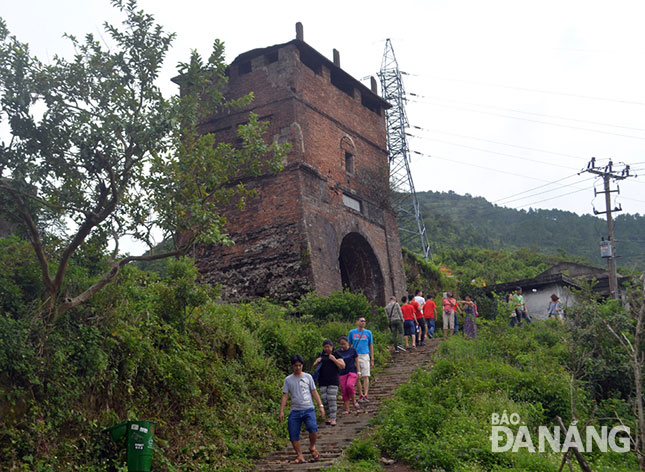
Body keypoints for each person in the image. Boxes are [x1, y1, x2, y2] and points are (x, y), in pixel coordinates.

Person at [279, 354, 325, 464]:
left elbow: (314, 391)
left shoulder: (308, 377)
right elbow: (285, 395)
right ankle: (299, 455)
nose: (298, 368)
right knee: (293, 433)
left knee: (313, 428)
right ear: (292, 366)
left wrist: (320, 406)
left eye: (300, 365)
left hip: (308, 408)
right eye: (296, 366)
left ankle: (312, 447)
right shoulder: (288, 380)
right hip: (295, 410)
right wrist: (281, 411)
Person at [312, 339, 345, 426]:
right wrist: (317, 361)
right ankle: (329, 416)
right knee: (324, 399)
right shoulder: (321, 355)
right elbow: (314, 366)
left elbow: (342, 366)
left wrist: (334, 360)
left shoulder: (336, 354)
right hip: (322, 380)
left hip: (333, 380)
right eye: (325, 347)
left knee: (331, 398)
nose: (326, 348)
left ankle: (333, 418)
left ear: (332, 346)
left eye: (328, 347)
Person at [348, 316, 374, 403]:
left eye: (364, 321)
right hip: (355, 355)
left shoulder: (368, 333)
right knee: (357, 376)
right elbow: (349, 344)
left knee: (365, 375)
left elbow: (371, 345)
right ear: (357, 322)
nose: (363, 322)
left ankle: (365, 394)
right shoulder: (352, 332)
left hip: (365, 355)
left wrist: (372, 358)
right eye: (361, 321)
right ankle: (360, 394)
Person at [337, 335, 361, 414]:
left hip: (352, 371)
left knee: (349, 385)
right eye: (341, 344)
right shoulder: (338, 352)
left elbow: (356, 361)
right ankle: (347, 408)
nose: (343, 346)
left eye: (344, 344)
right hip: (342, 373)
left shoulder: (352, 350)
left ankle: (354, 401)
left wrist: (358, 371)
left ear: (347, 343)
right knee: (344, 390)